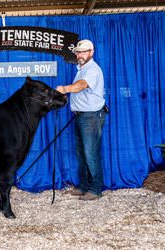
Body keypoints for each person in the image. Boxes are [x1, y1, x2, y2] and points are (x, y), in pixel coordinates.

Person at [56, 39, 108, 201]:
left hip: (91, 116)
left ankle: (96, 189)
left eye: (83, 52)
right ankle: (84, 186)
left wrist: (65, 89)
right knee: (81, 154)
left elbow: (83, 85)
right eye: (78, 52)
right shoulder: (81, 69)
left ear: (91, 52)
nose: (80, 55)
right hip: (81, 116)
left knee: (90, 154)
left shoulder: (92, 69)